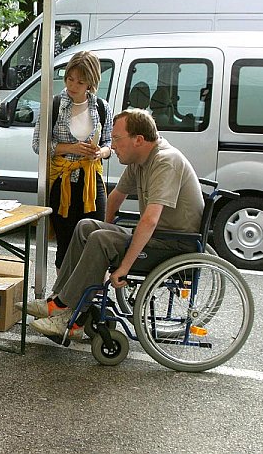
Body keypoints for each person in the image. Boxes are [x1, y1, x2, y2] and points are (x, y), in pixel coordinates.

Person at [26, 108, 204, 340]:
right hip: (158, 237)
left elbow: (150, 220)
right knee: (87, 227)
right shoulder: (139, 160)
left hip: (175, 244)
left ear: (138, 140)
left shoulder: (165, 161)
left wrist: (124, 267)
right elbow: (115, 199)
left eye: (117, 138)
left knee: (101, 239)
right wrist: (99, 233)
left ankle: (67, 312)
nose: (112, 144)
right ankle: (59, 301)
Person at [32, 51, 112, 271]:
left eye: (80, 81)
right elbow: (38, 145)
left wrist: (100, 152)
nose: (73, 85)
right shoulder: (54, 105)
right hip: (62, 181)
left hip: (92, 181)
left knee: (96, 238)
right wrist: (71, 148)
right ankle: (63, 297)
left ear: (91, 83)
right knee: (65, 242)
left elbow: (108, 143)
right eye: (70, 79)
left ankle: (89, 297)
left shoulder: (102, 107)